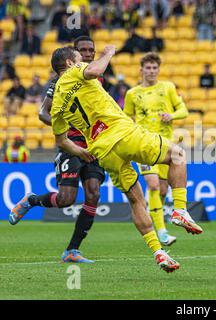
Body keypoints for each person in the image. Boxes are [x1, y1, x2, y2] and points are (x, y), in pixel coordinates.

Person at [15, 44, 202, 273]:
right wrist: (108, 53)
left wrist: (82, 152)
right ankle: (180, 210)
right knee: (177, 155)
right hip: (122, 134)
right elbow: (94, 71)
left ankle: (158, 252)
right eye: (78, 58)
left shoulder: (57, 105)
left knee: (136, 200)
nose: (83, 60)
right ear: (70, 64)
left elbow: (61, 141)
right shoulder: (75, 72)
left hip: (102, 152)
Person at [10, 37, 107, 264]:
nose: (87, 54)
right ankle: (32, 201)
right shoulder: (60, 81)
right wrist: (66, 123)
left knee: (93, 193)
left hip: (94, 144)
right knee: (66, 199)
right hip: (71, 144)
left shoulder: (98, 78)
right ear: (73, 56)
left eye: (91, 50)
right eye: (82, 50)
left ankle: (72, 250)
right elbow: (43, 113)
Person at [124, 52, 189, 246]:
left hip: (165, 146)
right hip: (143, 144)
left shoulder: (168, 87)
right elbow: (127, 117)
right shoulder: (132, 93)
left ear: (158, 70)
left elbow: (183, 110)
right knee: (152, 185)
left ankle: (160, 222)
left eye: (154, 68)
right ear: (141, 70)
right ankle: (161, 232)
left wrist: (171, 116)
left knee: (161, 191)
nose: (151, 71)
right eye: (148, 68)